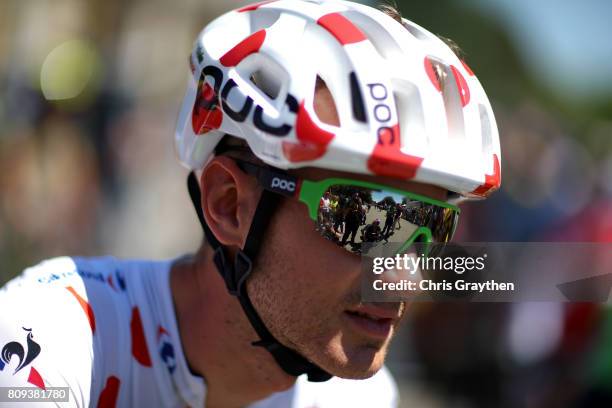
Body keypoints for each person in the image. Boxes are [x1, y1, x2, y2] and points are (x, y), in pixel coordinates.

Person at [0, 1, 501, 407]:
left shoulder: (363, 397)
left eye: (430, 226)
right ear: (228, 204)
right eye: (366, 220)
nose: (404, 277)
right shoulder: (49, 344)